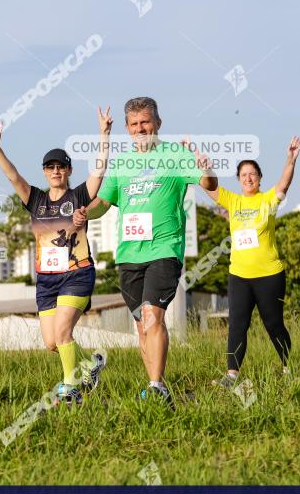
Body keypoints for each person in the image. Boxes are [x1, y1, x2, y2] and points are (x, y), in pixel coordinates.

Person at [73, 97, 217, 406]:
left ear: (158, 123)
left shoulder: (174, 155)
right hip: (129, 256)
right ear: (127, 128)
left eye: (146, 122)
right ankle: (155, 389)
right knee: (141, 326)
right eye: (135, 124)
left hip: (164, 249)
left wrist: (206, 169)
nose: (141, 129)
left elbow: (208, 182)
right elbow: (104, 203)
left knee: (153, 317)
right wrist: (87, 212)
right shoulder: (123, 162)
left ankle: (155, 384)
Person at [0, 108, 113, 403]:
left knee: (62, 332)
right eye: (50, 167)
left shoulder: (79, 196)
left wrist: (104, 134)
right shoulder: (36, 200)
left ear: (68, 171)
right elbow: (12, 176)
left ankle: (72, 387)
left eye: (61, 167)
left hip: (77, 273)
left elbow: (99, 171)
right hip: (46, 280)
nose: (56, 171)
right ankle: (90, 365)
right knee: (51, 342)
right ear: (45, 171)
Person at [205, 137, 300, 387]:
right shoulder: (233, 200)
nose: (248, 178)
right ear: (238, 179)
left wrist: (290, 159)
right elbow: (210, 187)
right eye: (244, 174)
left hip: (269, 273)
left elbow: (284, 184)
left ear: (259, 177)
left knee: (273, 324)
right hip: (239, 275)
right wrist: (203, 166)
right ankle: (231, 375)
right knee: (238, 324)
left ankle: (288, 367)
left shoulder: (267, 199)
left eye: (253, 174)